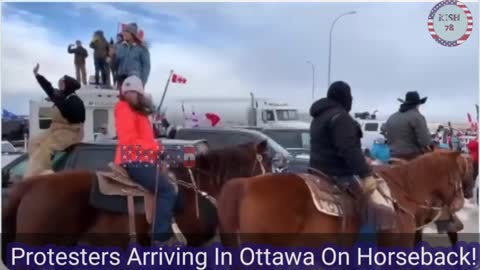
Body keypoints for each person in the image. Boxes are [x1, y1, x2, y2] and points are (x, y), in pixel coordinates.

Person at [309, 81, 394, 230]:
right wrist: (366, 174)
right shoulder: (341, 117)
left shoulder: (319, 116)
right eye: (350, 97)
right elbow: (348, 149)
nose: (351, 100)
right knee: (370, 207)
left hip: (317, 170)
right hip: (337, 174)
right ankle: (365, 246)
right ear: (345, 97)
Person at [114, 75, 175, 245]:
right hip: (134, 160)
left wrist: (158, 149)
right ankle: (160, 237)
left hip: (144, 159)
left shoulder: (138, 111)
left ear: (140, 94)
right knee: (167, 190)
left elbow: (146, 139)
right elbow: (129, 140)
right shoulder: (124, 108)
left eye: (133, 92)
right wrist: (156, 148)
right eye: (127, 92)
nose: (129, 95)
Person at [25, 64, 85, 177]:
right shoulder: (60, 96)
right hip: (56, 130)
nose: (60, 85)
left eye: (62, 83)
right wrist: (37, 75)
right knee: (34, 142)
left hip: (71, 132)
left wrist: (63, 106)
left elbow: (78, 118)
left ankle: (42, 174)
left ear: (68, 86)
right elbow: (48, 87)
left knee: (46, 147)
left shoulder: (75, 100)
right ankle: (35, 166)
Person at [384, 91, 432, 160]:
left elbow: (385, 134)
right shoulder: (417, 117)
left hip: (393, 156)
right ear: (417, 105)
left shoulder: (392, 117)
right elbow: (425, 141)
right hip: (412, 158)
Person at [114, 23, 150, 88]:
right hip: (121, 78)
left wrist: (142, 83)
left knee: (130, 98)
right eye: (124, 31)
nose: (123, 33)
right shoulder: (121, 46)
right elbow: (116, 62)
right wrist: (113, 55)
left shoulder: (141, 48)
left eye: (126, 32)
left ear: (132, 34)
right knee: (121, 98)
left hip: (134, 79)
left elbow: (146, 67)